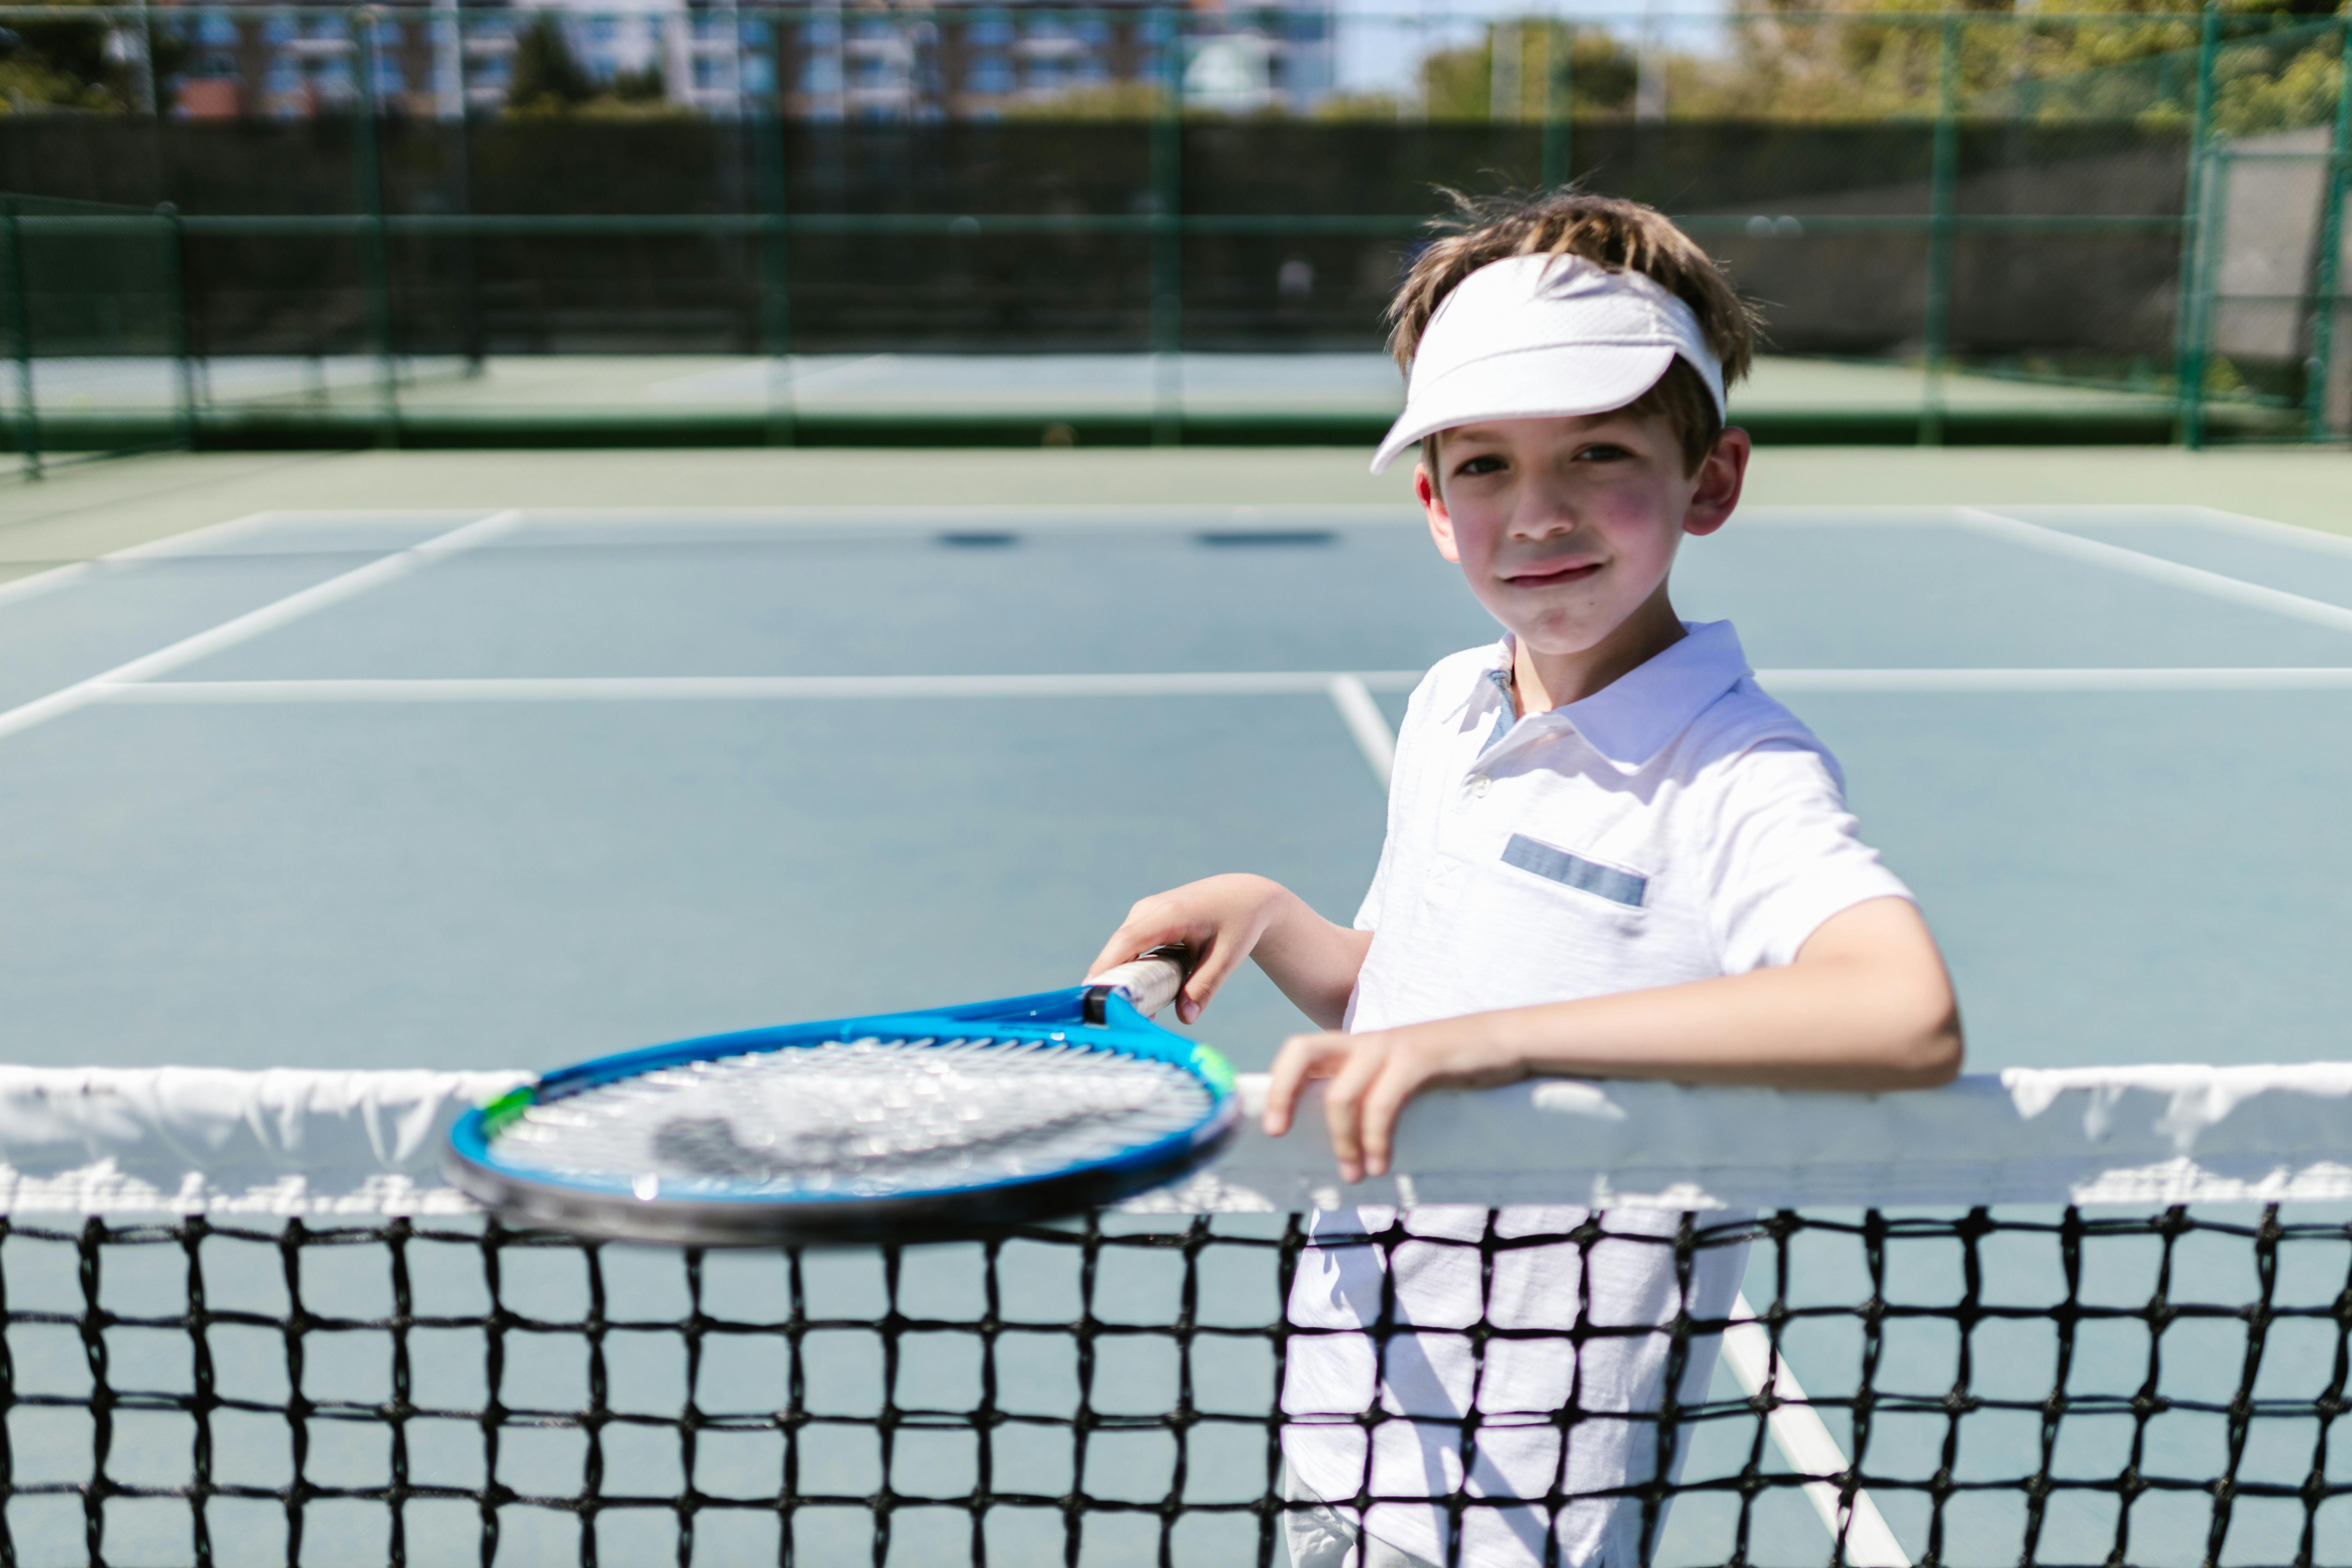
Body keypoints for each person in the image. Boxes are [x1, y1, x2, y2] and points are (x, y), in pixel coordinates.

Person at [1086, 190, 1963, 1568]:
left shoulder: (1731, 767)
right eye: (1483, 465)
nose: (1536, 510)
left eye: (1599, 452)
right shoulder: (1452, 703)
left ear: (1711, 478)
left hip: (1526, 1481)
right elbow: (1411, 996)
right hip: (1351, 1393)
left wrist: (1496, 1045)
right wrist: (1271, 915)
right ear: (1434, 505)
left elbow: (1898, 1013)